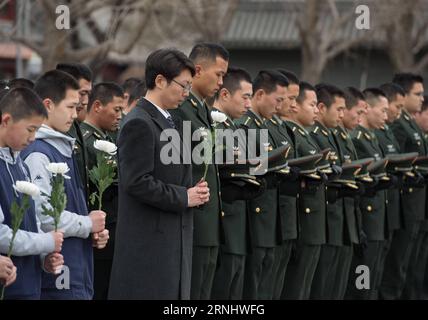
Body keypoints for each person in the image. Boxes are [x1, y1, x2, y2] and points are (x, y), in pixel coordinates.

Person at [108, 48, 210, 300]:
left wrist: (192, 190)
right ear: (160, 80)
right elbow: (137, 182)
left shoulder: (166, 119)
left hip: (170, 240)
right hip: (150, 247)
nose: (186, 94)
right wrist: (183, 197)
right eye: (183, 86)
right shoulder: (139, 122)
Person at [21, 70, 108, 300]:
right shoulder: (39, 153)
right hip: (58, 275)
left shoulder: (60, 146)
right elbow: (44, 215)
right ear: (48, 105)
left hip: (76, 268)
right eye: (70, 107)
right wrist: (87, 223)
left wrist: (92, 231)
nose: (76, 112)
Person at [170, 43, 229, 300]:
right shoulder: (182, 110)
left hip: (208, 221)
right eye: (218, 74)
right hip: (192, 219)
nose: (221, 81)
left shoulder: (202, 109)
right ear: (198, 69)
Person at [0, 88, 64, 299]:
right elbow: (1, 235)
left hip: (30, 285)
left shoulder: (20, 164)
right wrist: (46, 242)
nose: (33, 138)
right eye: (30, 129)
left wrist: (44, 257)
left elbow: (33, 220)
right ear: (6, 120)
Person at [236, 70, 288, 299]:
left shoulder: (270, 126)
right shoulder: (245, 126)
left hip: (270, 217)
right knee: (253, 287)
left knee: (267, 286)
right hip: (255, 217)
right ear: (259, 94)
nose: (280, 106)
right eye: (278, 100)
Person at [210, 67, 253, 300]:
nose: (249, 104)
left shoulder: (234, 128)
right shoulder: (211, 126)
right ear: (225, 94)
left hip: (238, 226)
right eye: (245, 97)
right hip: (223, 226)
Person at [282, 81, 326, 300]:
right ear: (295, 107)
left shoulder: (305, 134)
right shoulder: (292, 133)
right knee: (295, 289)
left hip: (314, 222)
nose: (317, 110)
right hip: (301, 220)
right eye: (312, 104)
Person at [80, 83, 124, 300]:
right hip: (99, 232)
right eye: (116, 109)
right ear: (97, 106)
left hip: (111, 232)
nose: (120, 115)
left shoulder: (105, 139)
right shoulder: (88, 142)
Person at [346, 88, 390, 300]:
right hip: (366, 217)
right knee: (361, 280)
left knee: (373, 277)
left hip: (378, 217)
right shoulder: (356, 139)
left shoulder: (371, 138)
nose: (386, 115)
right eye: (382, 110)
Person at [309, 84, 348, 300]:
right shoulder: (315, 135)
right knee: (319, 287)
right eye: (339, 109)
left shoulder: (331, 135)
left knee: (333, 286)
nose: (342, 115)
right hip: (321, 220)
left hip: (336, 221)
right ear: (323, 109)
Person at [391, 73, 427, 299]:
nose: (422, 98)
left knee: (410, 266)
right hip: (403, 204)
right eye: (418, 93)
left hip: (416, 203)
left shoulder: (409, 124)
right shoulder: (399, 125)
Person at [56, 63, 93, 198]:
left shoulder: (75, 124)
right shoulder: (58, 128)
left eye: (88, 94)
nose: (85, 101)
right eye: (82, 93)